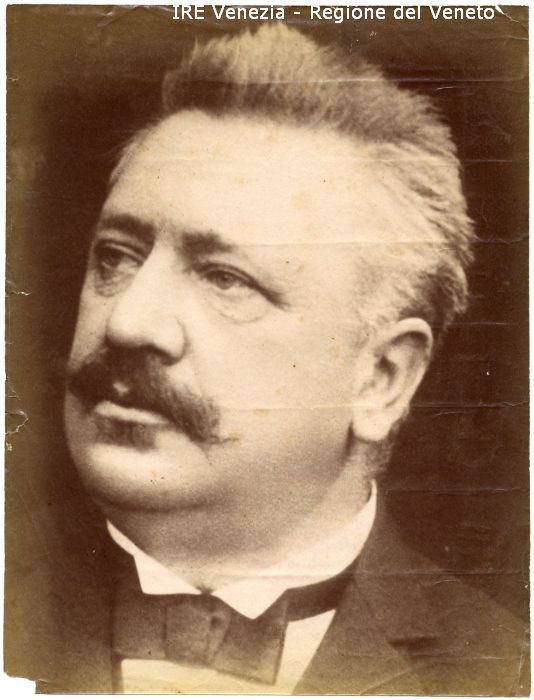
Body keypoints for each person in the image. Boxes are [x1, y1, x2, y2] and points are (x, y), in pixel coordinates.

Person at [7, 23, 528, 695]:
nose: (128, 323)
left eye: (226, 279)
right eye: (117, 256)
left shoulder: (505, 672)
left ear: (381, 378)